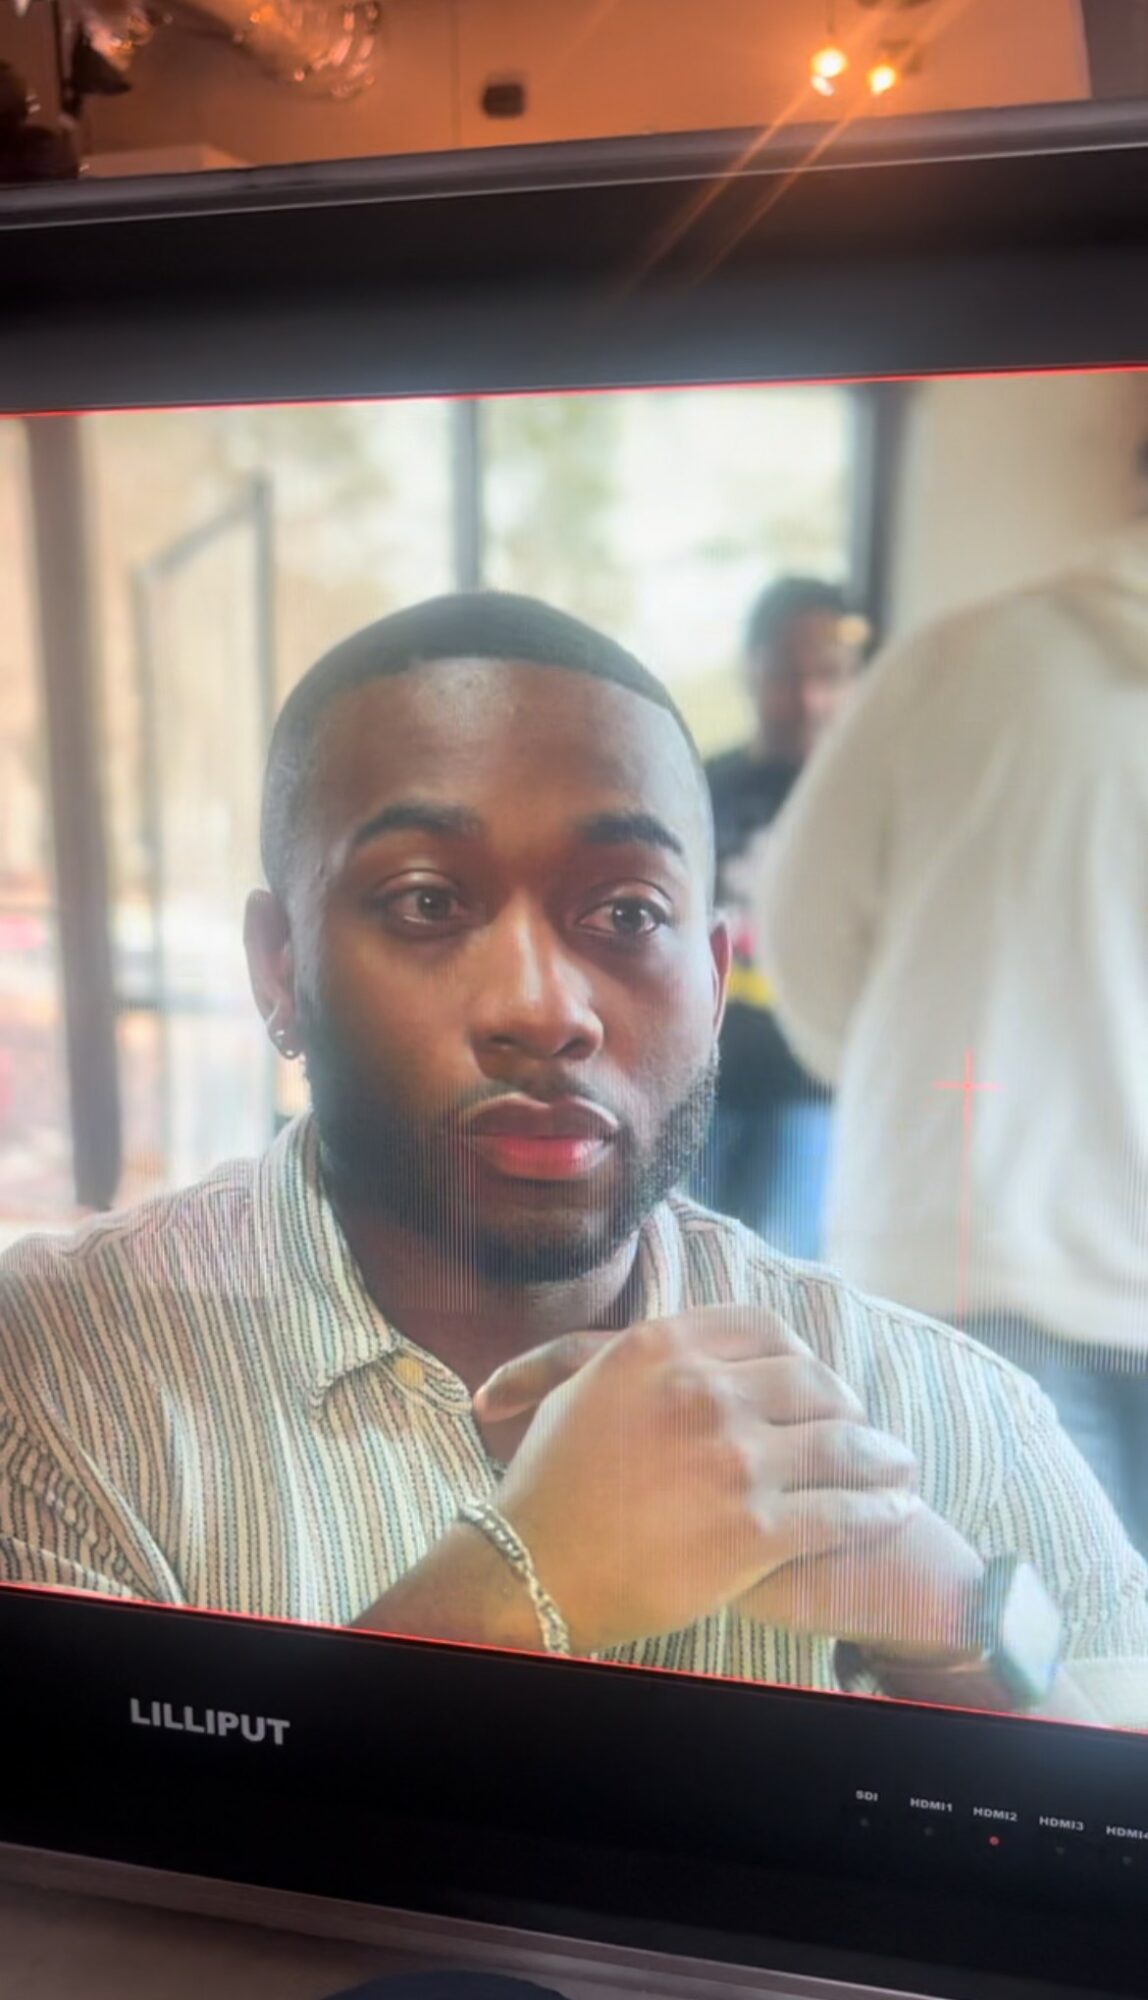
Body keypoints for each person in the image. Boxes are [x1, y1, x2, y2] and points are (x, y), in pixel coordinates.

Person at [1, 591, 1146, 1726]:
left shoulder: (953, 1417)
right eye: (426, 900)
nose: (543, 1009)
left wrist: (958, 1634)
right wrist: (508, 1593)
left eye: (626, 914)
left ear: (712, 980)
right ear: (278, 965)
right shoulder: (53, 1382)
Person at [751, 525, 1148, 1555]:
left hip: (964, 1240)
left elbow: (801, 932)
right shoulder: (956, 659)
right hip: (978, 1278)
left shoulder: (960, 660)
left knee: (1016, 1651)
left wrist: (899, 1077)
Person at [698, 579, 859, 1256]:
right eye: (790, 674)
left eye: (831, 675)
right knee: (669, 1271)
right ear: (753, 668)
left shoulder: (862, 803)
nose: (810, 698)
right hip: (695, 1085)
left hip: (808, 1092)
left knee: (782, 1282)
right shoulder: (699, 786)